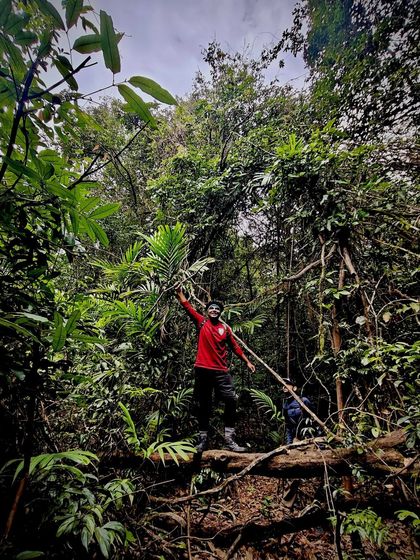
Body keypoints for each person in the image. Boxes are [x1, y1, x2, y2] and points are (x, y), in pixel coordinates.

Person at [175, 286, 255, 452]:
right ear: (207, 311)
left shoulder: (225, 329)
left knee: (231, 400)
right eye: (211, 308)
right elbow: (187, 307)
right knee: (204, 405)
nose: (213, 310)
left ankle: (229, 439)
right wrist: (179, 292)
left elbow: (235, 347)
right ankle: (202, 441)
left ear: (220, 313)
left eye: (216, 309)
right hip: (203, 370)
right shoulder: (201, 322)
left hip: (220, 371)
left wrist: (247, 361)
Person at [282, 378, 315, 444]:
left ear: (294, 388)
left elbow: (314, 418)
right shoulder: (285, 405)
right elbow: (288, 426)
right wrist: (289, 443)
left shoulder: (304, 401)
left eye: (287, 384)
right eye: (283, 384)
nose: (284, 386)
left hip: (309, 436)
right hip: (295, 438)